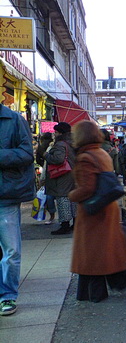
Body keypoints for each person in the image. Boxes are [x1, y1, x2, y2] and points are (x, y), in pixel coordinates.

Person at [68, 120, 126, 303]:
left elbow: (86, 189)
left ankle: (94, 295)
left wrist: (71, 195)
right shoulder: (101, 153)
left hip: (93, 211)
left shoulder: (85, 157)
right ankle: (90, 293)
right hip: (107, 208)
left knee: (92, 254)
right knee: (100, 251)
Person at [0, 103, 35, 315]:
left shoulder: (14, 119)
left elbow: (26, 153)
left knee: (11, 251)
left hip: (6, 196)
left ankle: (7, 296)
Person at [44, 122, 77, 235]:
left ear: (60, 133)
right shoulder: (74, 142)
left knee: (63, 199)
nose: (55, 134)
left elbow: (58, 159)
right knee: (73, 199)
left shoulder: (60, 144)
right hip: (73, 174)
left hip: (63, 176)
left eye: (56, 132)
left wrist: (46, 155)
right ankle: (76, 223)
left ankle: (65, 224)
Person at [35, 132, 57, 225]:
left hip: (50, 175)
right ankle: (64, 219)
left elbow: (43, 162)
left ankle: (52, 216)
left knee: (49, 196)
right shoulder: (55, 146)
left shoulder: (45, 147)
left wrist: (42, 178)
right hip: (59, 174)